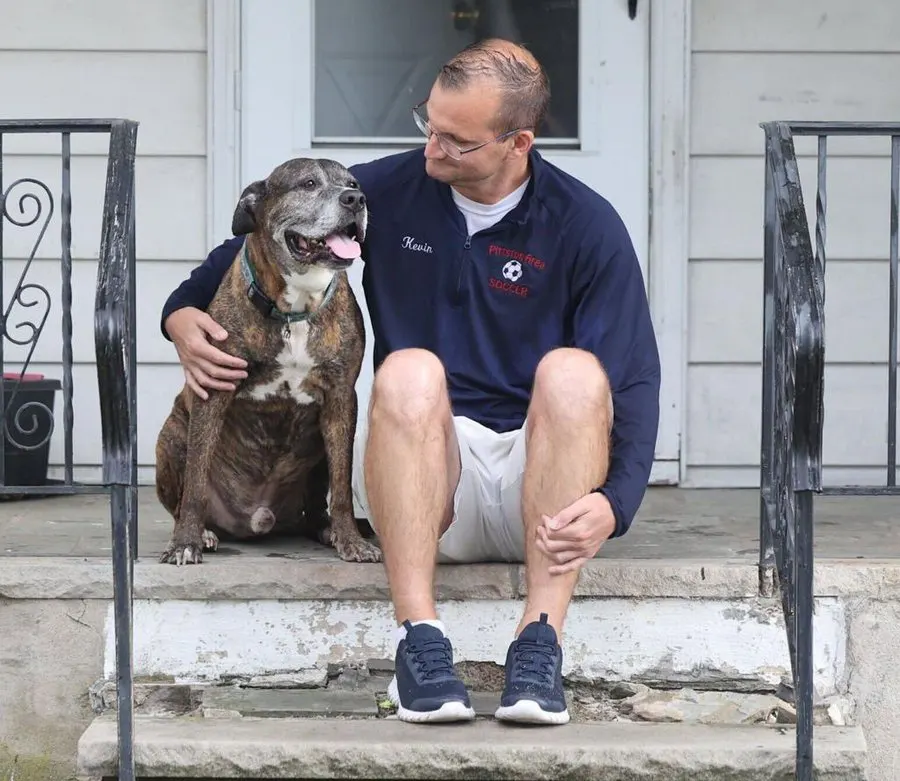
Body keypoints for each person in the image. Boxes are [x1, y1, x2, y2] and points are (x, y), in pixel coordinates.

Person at [160, 39, 660, 726]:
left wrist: (617, 501)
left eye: (456, 140)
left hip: (541, 491)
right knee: (407, 371)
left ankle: (538, 644)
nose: (432, 148)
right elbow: (257, 236)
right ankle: (420, 643)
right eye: (429, 121)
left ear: (518, 142)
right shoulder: (392, 191)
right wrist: (181, 313)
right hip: (426, 481)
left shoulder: (585, 223)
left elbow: (632, 375)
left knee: (573, 373)